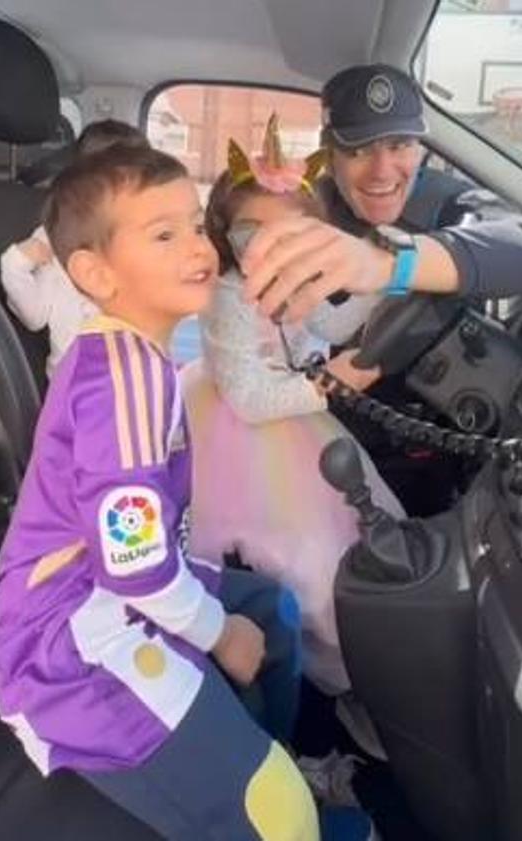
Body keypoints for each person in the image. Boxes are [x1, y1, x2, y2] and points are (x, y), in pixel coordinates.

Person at [0, 143, 324, 841]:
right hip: (64, 639)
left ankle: (266, 752)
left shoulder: (138, 353)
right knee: (278, 813)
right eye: (163, 234)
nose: (196, 246)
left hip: (110, 584)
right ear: (95, 273)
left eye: (196, 226)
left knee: (276, 609)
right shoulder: (124, 379)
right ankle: (266, 793)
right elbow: (132, 565)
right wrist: (218, 632)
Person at [241, 65, 522, 514]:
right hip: (310, 439)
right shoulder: (304, 207)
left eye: (400, 145)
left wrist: (392, 265)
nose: (382, 170)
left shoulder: (446, 203)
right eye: (358, 149)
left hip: (424, 453)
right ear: (329, 154)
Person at [182, 115, 404, 697]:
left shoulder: (297, 280)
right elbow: (251, 399)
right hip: (243, 428)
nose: (272, 248)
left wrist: (385, 282)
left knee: (359, 525)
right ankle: (331, 680)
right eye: (252, 234)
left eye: (292, 236)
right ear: (226, 235)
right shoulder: (228, 297)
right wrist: (330, 382)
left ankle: (361, 660)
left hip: (299, 410)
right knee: (310, 558)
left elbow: (330, 320)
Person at [0, 119, 150, 377]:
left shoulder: (139, 239)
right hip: (75, 384)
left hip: (131, 374)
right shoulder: (55, 237)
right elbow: (34, 316)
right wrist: (15, 265)